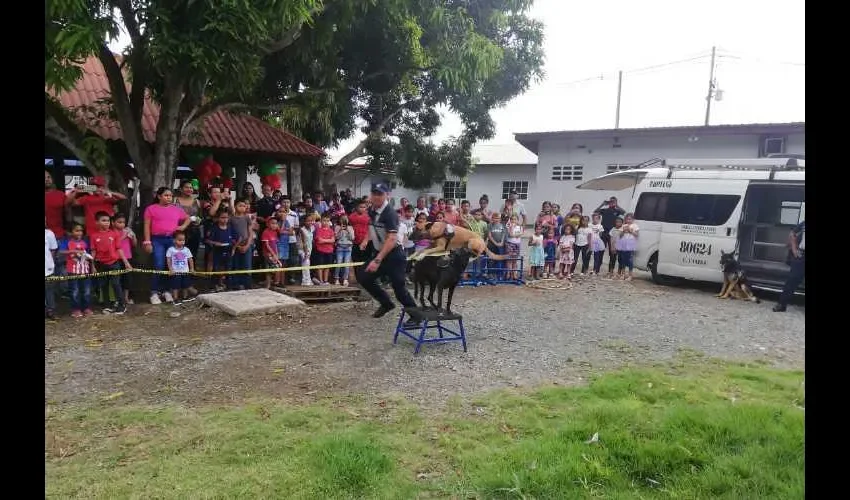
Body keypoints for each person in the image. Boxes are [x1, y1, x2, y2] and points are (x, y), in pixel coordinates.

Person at [355, 182, 418, 318]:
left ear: (387, 195)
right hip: (381, 252)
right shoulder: (372, 210)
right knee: (363, 276)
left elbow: (391, 239)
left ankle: (415, 315)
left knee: (399, 289)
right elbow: (372, 228)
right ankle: (386, 303)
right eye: (374, 193)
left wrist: (377, 260)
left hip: (394, 255)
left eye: (380, 194)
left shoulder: (389, 213)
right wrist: (366, 240)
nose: (376, 197)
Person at [143, 187, 190, 304]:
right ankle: (154, 292)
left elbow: (187, 219)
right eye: (166, 195)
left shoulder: (176, 209)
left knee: (171, 265)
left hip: (171, 239)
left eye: (170, 195)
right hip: (157, 240)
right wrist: (147, 241)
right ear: (159, 196)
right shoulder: (151, 209)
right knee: (159, 264)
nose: (169, 197)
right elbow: (146, 226)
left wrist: (182, 227)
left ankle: (167, 290)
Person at [91, 211, 132, 314]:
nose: (106, 223)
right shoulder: (94, 236)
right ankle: (107, 306)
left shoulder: (114, 234)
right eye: (103, 220)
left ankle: (122, 305)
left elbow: (119, 249)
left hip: (114, 263)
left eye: (108, 220)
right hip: (100, 264)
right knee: (103, 285)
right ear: (96, 222)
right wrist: (92, 266)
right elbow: (93, 251)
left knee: (116, 284)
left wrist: (126, 262)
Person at [63, 223, 95, 317]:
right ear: (70, 232)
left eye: (81, 230)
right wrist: (74, 251)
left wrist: (92, 267)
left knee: (87, 290)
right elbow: (61, 251)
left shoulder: (85, 242)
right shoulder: (67, 242)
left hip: (85, 270)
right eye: (77, 230)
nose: (79, 233)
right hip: (72, 271)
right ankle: (76, 309)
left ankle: (86, 308)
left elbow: (90, 256)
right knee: (74, 290)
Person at [773, 220, 805, 312]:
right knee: (792, 279)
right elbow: (792, 233)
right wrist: (794, 249)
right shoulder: (804, 223)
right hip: (801, 256)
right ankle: (782, 305)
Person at [205, 210, 238, 292]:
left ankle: (228, 286)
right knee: (216, 269)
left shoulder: (230, 227)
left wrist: (234, 248)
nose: (225, 219)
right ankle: (213, 286)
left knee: (228, 269)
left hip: (229, 250)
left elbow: (238, 238)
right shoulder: (214, 228)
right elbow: (207, 240)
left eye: (226, 217)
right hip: (217, 251)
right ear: (218, 218)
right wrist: (215, 243)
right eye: (222, 217)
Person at [229, 198, 256, 290]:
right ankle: (236, 284)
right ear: (235, 206)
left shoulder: (247, 218)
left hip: (247, 245)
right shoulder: (231, 219)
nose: (242, 207)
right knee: (236, 264)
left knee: (247, 264)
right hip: (235, 246)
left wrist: (247, 245)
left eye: (244, 206)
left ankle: (247, 284)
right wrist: (237, 245)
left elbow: (250, 232)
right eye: (240, 205)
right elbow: (230, 233)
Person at [113, 213, 139, 304]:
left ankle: (126, 298)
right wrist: (124, 236)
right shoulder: (112, 233)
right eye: (119, 222)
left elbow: (134, 245)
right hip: (116, 258)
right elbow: (115, 244)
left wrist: (133, 236)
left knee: (127, 279)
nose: (122, 224)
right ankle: (118, 298)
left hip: (128, 258)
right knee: (117, 280)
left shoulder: (127, 231)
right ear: (113, 223)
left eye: (123, 222)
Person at [174, 180, 203, 263]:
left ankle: (190, 274)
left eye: (191, 187)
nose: (189, 189)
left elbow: (200, 217)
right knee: (178, 254)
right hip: (179, 231)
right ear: (181, 189)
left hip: (194, 231)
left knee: (192, 255)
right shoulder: (175, 200)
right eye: (186, 187)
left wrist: (198, 220)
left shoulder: (196, 201)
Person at [166, 230, 195, 303]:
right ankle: (175, 298)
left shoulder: (186, 250)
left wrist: (192, 268)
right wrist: (170, 269)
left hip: (185, 271)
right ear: (174, 240)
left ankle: (185, 297)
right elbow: (168, 260)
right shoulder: (171, 250)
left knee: (185, 285)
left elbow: (190, 259)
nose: (182, 242)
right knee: (176, 286)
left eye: (183, 240)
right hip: (176, 272)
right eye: (179, 240)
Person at [260, 217, 284, 289]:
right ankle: (269, 284)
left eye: (276, 223)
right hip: (268, 254)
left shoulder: (275, 232)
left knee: (274, 268)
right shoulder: (265, 232)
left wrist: (276, 254)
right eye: (272, 223)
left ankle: (272, 284)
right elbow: (267, 245)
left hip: (274, 254)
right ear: (267, 224)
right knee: (270, 269)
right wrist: (273, 254)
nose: (274, 225)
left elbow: (275, 244)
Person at [313, 214, 336, 286]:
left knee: (327, 266)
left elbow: (333, 240)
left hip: (329, 251)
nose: (326, 222)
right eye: (324, 221)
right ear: (321, 221)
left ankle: (326, 280)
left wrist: (324, 240)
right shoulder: (318, 230)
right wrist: (328, 240)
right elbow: (319, 240)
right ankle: (321, 280)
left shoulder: (331, 230)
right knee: (320, 266)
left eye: (327, 221)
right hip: (320, 251)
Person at [617, 213, 639, 281]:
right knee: (623, 259)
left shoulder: (635, 226)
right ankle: (623, 274)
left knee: (630, 260)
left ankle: (630, 275)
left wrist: (630, 231)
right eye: (627, 219)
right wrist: (623, 231)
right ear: (625, 219)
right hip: (623, 244)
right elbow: (620, 235)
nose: (628, 220)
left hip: (631, 244)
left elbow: (636, 235)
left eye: (630, 219)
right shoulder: (624, 225)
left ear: (633, 219)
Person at [334, 215, 355, 286]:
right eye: (342, 220)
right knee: (338, 264)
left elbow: (352, 238)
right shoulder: (337, 227)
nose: (344, 221)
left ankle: (345, 279)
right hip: (340, 247)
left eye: (345, 220)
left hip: (348, 248)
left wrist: (348, 230)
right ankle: (336, 279)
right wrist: (340, 230)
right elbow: (336, 237)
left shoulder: (350, 228)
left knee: (346, 265)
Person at [45, 217, 59, 320]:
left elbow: (53, 250)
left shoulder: (49, 233)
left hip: (47, 267)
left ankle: (50, 310)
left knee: (49, 289)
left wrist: (50, 262)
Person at [297, 214, 317, 286]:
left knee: (307, 264)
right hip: (302, 250)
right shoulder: (302, 230)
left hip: (309, 249)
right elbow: (303, 242)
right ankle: (305, 282)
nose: (310, 222)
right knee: (306, 264)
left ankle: (307, 280)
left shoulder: (312, 228)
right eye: (308, 221)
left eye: (311, 221)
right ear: (304, 222)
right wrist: (305, 252)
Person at [505, 213, 523, 280]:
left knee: (515, 260)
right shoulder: (508, 226)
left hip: (517, 244)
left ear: (517, 220)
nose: (513, 220)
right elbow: (510, 234)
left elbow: (521, 234)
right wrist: (512, 227)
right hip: (510, 244)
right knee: (509, 260)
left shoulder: (520, 227)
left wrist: (515, 235)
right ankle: (508, 273)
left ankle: (514, 273)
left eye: (515, 219)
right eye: (512, 219)